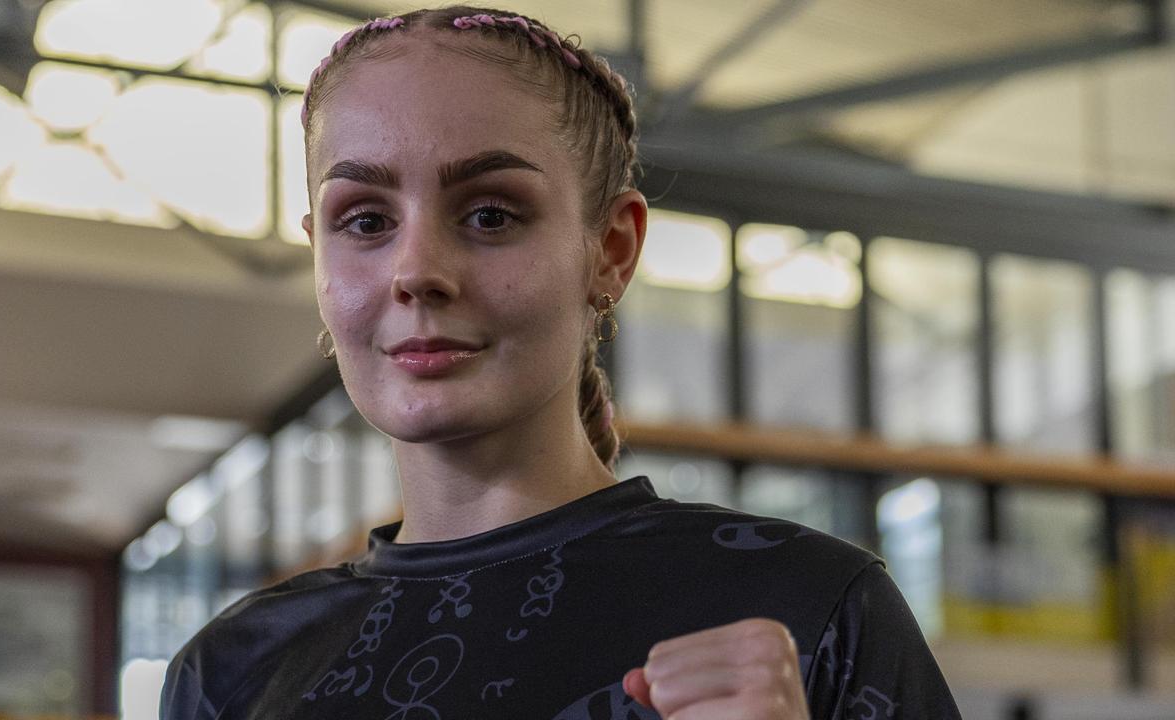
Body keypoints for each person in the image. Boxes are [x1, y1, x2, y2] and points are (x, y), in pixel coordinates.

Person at [160, 6, 961, 719]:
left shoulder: (807, 609)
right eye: (365, 221)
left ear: (610, 251)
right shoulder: (233, 672)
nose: (414, 271)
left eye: (488, 214)